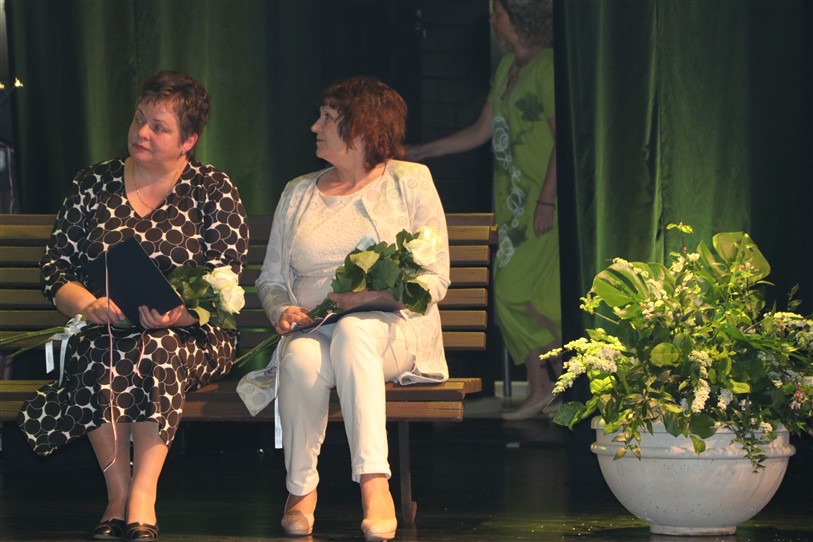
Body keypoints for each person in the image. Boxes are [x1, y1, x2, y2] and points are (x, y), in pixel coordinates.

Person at [17, 71, 249, 541]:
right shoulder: (93, 182)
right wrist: (87, 304)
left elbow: (225, 280)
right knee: (99, 350)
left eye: (159, 127)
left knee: (156, 348)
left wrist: (181, 314)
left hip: (191, 332)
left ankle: (144, 494)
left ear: (188, 141)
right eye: (139, 119)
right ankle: (117, 494)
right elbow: (56, 267)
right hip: (105, 327)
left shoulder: (212, 188)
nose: (142, 132)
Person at [255, 77, 450, 541]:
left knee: (354, 331)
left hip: (393, 330)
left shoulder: (409, 181)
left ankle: (374, 483)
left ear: (362, 130)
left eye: (328, 118)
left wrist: (367, 299)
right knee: (301, 355)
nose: (314, 126)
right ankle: (300, 489)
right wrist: (282, 311)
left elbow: (434, 278)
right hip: (317, 329)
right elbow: (271, 279)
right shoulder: (298, 192)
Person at [408, 0, 559, 420]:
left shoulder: (546, 68)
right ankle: (548, 387)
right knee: (514, 296)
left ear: (520, 19)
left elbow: (561, 141)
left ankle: (566, 384)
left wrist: (547, 200)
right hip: (515, 205)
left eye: (499, 13)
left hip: (543, 204)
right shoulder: (509, 66)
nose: (492, 19)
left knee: (522, 295)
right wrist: (423, 151)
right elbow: (481, 130)